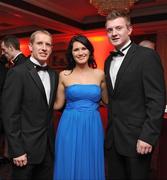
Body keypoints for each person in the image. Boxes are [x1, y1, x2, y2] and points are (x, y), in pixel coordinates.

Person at [104, 10, 166, 180]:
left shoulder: (147, 56)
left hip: (138, 139)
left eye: (118, 28)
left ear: (129, 30)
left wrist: (147, 136)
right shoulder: (108, 61)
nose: (114, 33)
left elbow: (157, 99)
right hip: (113, 139)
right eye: (110, 30)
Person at [2, 30, 59, 180]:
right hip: (25, 150)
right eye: (39, 43)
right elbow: (9, 115)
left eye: (48, 44)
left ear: (52, 48)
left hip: (47, 149)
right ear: (30, 46)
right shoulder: (17, 73)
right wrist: (17, 150)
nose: (44, 48)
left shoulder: (54, 75)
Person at [53, 34, 108, 179]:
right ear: (71, 53)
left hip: (92, 125)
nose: (80, 52)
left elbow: (108, 101)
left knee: (90, 160)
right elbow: (57, 104)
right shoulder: (64, 75)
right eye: (76, 49)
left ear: (89, 51)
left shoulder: (100, 74)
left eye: (83, 48)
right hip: (69, 124)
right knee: (68, 160)